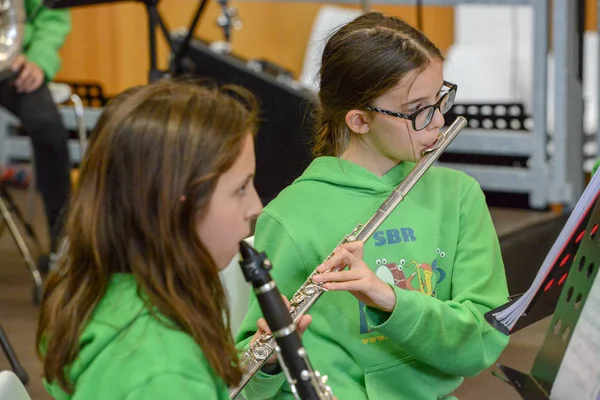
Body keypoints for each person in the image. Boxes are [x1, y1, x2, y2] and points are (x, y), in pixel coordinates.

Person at [235, 12, 510, 400]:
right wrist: (269, 359)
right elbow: (248, 385)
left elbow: (482, 343)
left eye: (440, 98)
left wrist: (391, 301)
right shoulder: (289, 216)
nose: (439, 120)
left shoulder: (459, 196)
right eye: (418, 110)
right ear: (360, 121)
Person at [36, 79, 274, 399]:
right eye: (241, 188)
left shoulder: (100, 292)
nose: (256, 206)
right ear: (176, 207)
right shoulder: (164, 371)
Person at [0, 0, 71, 264]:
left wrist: (38, 61)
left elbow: (51, 16)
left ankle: (61, 243)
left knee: (47, 125)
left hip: (14, 62)